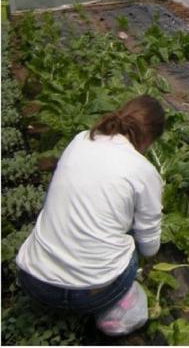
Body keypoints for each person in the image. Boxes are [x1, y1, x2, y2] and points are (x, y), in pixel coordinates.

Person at [16, 95, 165, 335]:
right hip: (89, 293)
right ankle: (112, 308)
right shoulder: (143, 170)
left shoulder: (81, 139)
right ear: (149, 138)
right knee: (133, 240)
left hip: (33, 281)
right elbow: (150, 248)